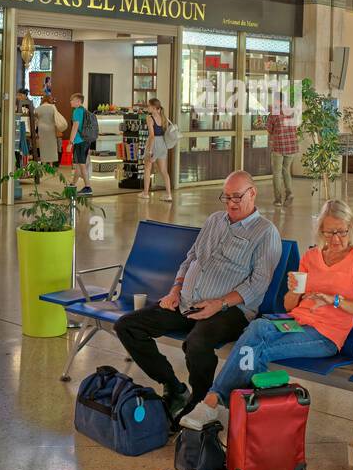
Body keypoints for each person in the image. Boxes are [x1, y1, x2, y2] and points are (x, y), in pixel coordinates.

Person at [182, 199, 353, 429]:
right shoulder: (311, 257)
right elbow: (288, 307)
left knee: (258, 350)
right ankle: (244, 412)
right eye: (330, 232)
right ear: (320, 231)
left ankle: (215, 403)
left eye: (342, 232)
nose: (336, 239)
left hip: (326, 335)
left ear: (350, 228)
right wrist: (294, 290)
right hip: (295, 322)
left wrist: (334, 300)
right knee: (256, 328)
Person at [114, 170, 282, 419]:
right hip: (187, 302)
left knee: (196, 343)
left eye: (237, 197)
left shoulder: (265, 233)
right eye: (226, 197)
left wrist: (219, 304)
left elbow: (258, 284)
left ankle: (201, 402)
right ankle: (173, 386)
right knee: (127, 326)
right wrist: (175, 289)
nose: (231, 203)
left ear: (253, 193)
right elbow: (191, 258)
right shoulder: (215, 220)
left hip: (231, 311)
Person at [264, 92, 298, 206]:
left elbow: (269, 129)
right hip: (292, 146)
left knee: (277, 173)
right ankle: (289, 193)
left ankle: (278, 200)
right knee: (286, 170)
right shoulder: (291, 111)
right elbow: (295, 127)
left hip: (279, 147)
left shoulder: (274, 113)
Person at [139, 97, 174, 201]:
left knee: (147, 169)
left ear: (154, 107)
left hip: (154, 144)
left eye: (149, 106)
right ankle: (169, 195)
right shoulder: (163, 117)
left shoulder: (150, 118)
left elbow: (152, 136)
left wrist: (149, 150)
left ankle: (145, 193)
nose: (147, 107)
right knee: (164, 171)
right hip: (163, 145)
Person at [66, 92, 93, 194]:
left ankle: (87, 187)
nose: (70, 102)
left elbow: (75, 127)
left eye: (72, 100)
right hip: (85, 141)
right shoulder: (85, 111)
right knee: (78, 164)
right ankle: (73, 184)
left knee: (81, 165)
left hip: (79, 141)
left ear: (78, 101)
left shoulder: (77, 111)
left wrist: (70, 142)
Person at [33, 94, 60, 166]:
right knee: (51, 146)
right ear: (49, 100)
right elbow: (56, 118)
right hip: (51, 128)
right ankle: (51, 165)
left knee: (43, 146)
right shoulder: (53, 107)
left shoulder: (38, 108)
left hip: (42, 129)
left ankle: (44, 163)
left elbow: (35, 120)